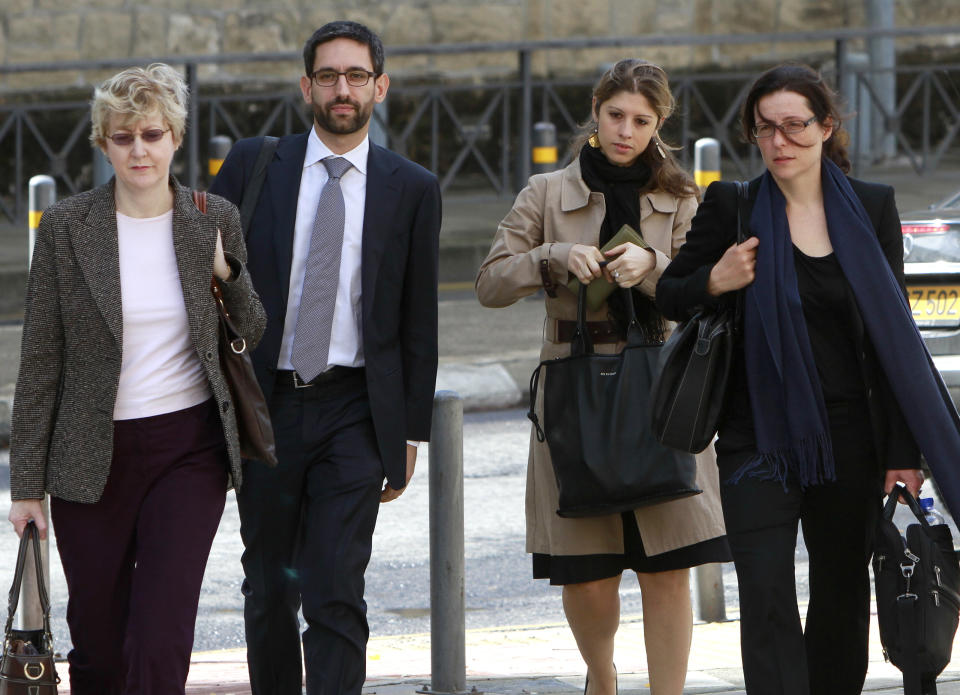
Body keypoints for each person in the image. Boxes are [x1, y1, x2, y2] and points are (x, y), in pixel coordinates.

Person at [655, 63, 960, 694]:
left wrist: (904, 451)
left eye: (795, 126)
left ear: (825, 128)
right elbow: (669, 294)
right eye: (766, 128)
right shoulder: (732, 207)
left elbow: (894, 338)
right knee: (765, 595)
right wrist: (716, 279)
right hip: (755, 438)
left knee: (840, 596)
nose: (780, 142)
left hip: (850, 438)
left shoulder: (872, 207)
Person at [6, 63, 266, 695]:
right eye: (123, 138)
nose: (139, 150)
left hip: (188, 449)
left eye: (151, 134)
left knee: (161, 629)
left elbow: (251, 328)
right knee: (98, 640)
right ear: (104, 145)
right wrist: (27, 486)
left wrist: (225, 274)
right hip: (88, 455)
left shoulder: (212, 216)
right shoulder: (68, 228)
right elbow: (41, 358)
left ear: (175, 137)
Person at [475, 59, 729, 695]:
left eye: (641, 120)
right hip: (574, 388)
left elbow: (709, 292)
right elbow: (489, 284)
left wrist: (653, 264)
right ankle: (603, 678)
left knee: (667, 570)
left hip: (662, 388)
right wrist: (553, 256)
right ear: (595, 110)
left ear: (659, 123)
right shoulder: (544, 194)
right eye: (615, 115)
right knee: (586, 573)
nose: (625, 131)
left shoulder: (682, 199)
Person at [209, 20, 441, 695]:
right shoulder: (256, 165)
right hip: (268, 404)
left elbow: (417, 318)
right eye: (331, 76)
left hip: (354, 407)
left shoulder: (413, 186)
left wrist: (409, 431)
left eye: (358, 76)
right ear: (306, 86)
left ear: (381, 86)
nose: (344, 89)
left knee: (336, 584)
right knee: (269, 581)